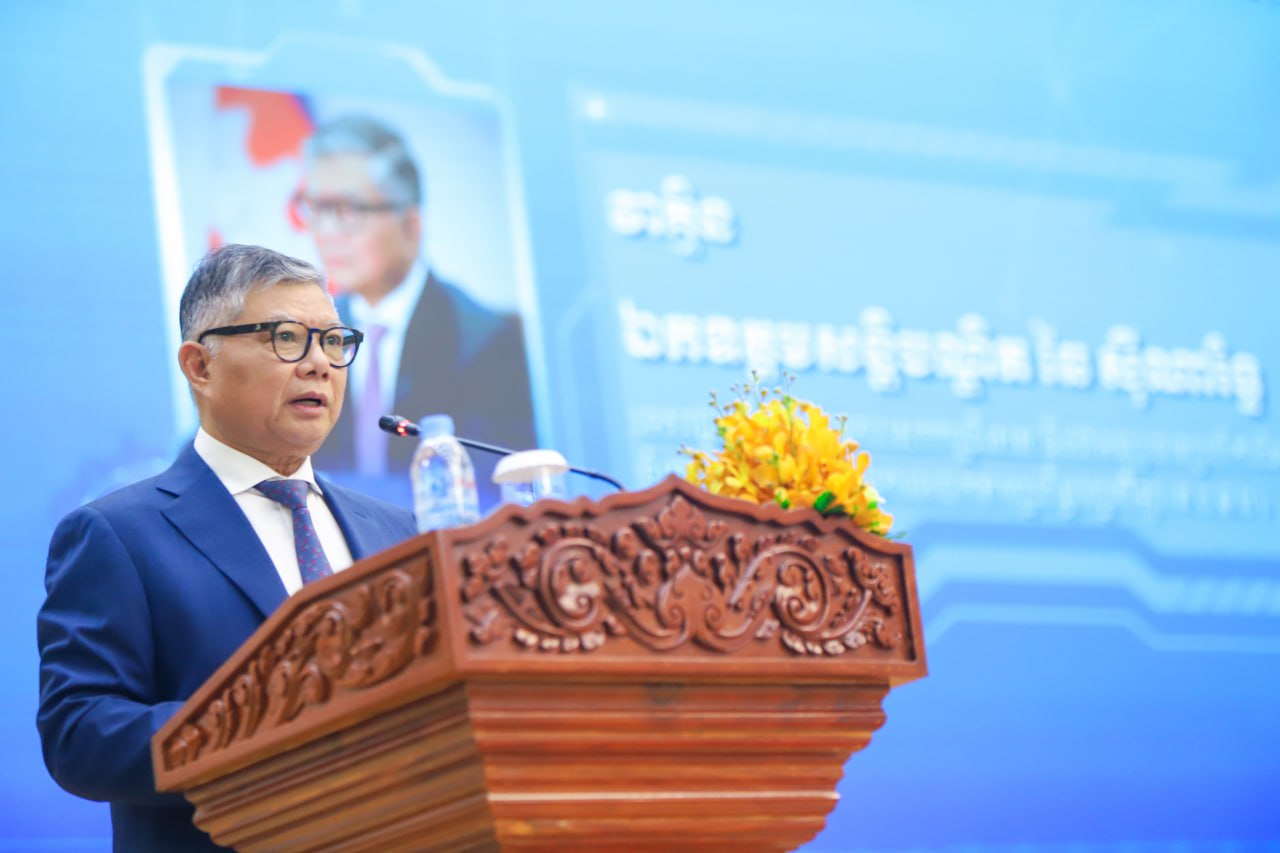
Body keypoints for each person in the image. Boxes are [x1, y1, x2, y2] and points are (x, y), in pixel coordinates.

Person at [37, 245, 418, 851]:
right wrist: (274, 730)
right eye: (287, 338)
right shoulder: (119, 534)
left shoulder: (398, 532)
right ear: (200, 366)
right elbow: (80, 735)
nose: (319, 364)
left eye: (333, 341)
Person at [296, 115, 536, 508]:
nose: (326, 231)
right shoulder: (308, 337)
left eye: (348, 210)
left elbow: (491, 490)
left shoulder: (484, 342)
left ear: (410, 225)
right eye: (316, 209)